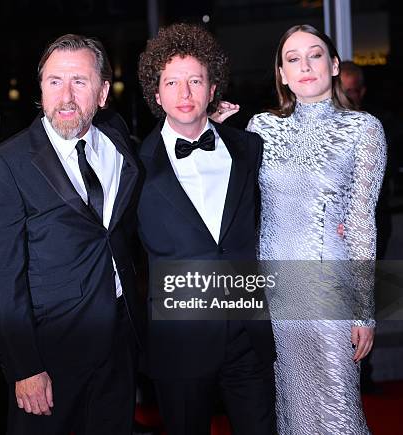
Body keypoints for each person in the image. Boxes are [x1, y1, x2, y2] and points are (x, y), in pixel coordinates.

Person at [0, 34, 142, 435]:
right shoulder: (7, 162)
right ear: (41, 89)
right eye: (54, 82)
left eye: (79, 82)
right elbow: (2, 276)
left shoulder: (117, 139)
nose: (65, 96)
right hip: (51, 350)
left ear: (102, 92)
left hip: (120, 340)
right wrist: (25, 366)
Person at [136, 23, 276, 435]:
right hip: (179, 336)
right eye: (172, 82)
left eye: (195, 81)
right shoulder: (133, 163)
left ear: (212, 88)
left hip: (246, 331)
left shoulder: (248, 147)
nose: (184, 93)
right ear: (156, 94)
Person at [246, 24, 386, 434]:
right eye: (293, 59)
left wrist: (364, 308)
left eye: (315, 55)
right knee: (288, 408)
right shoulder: (260, 129)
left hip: (330, 290)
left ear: (334, 64)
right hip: (274, 290)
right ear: (282, 74)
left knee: (337, 407)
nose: (305, 66)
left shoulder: (364, 129)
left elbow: (362, 222)